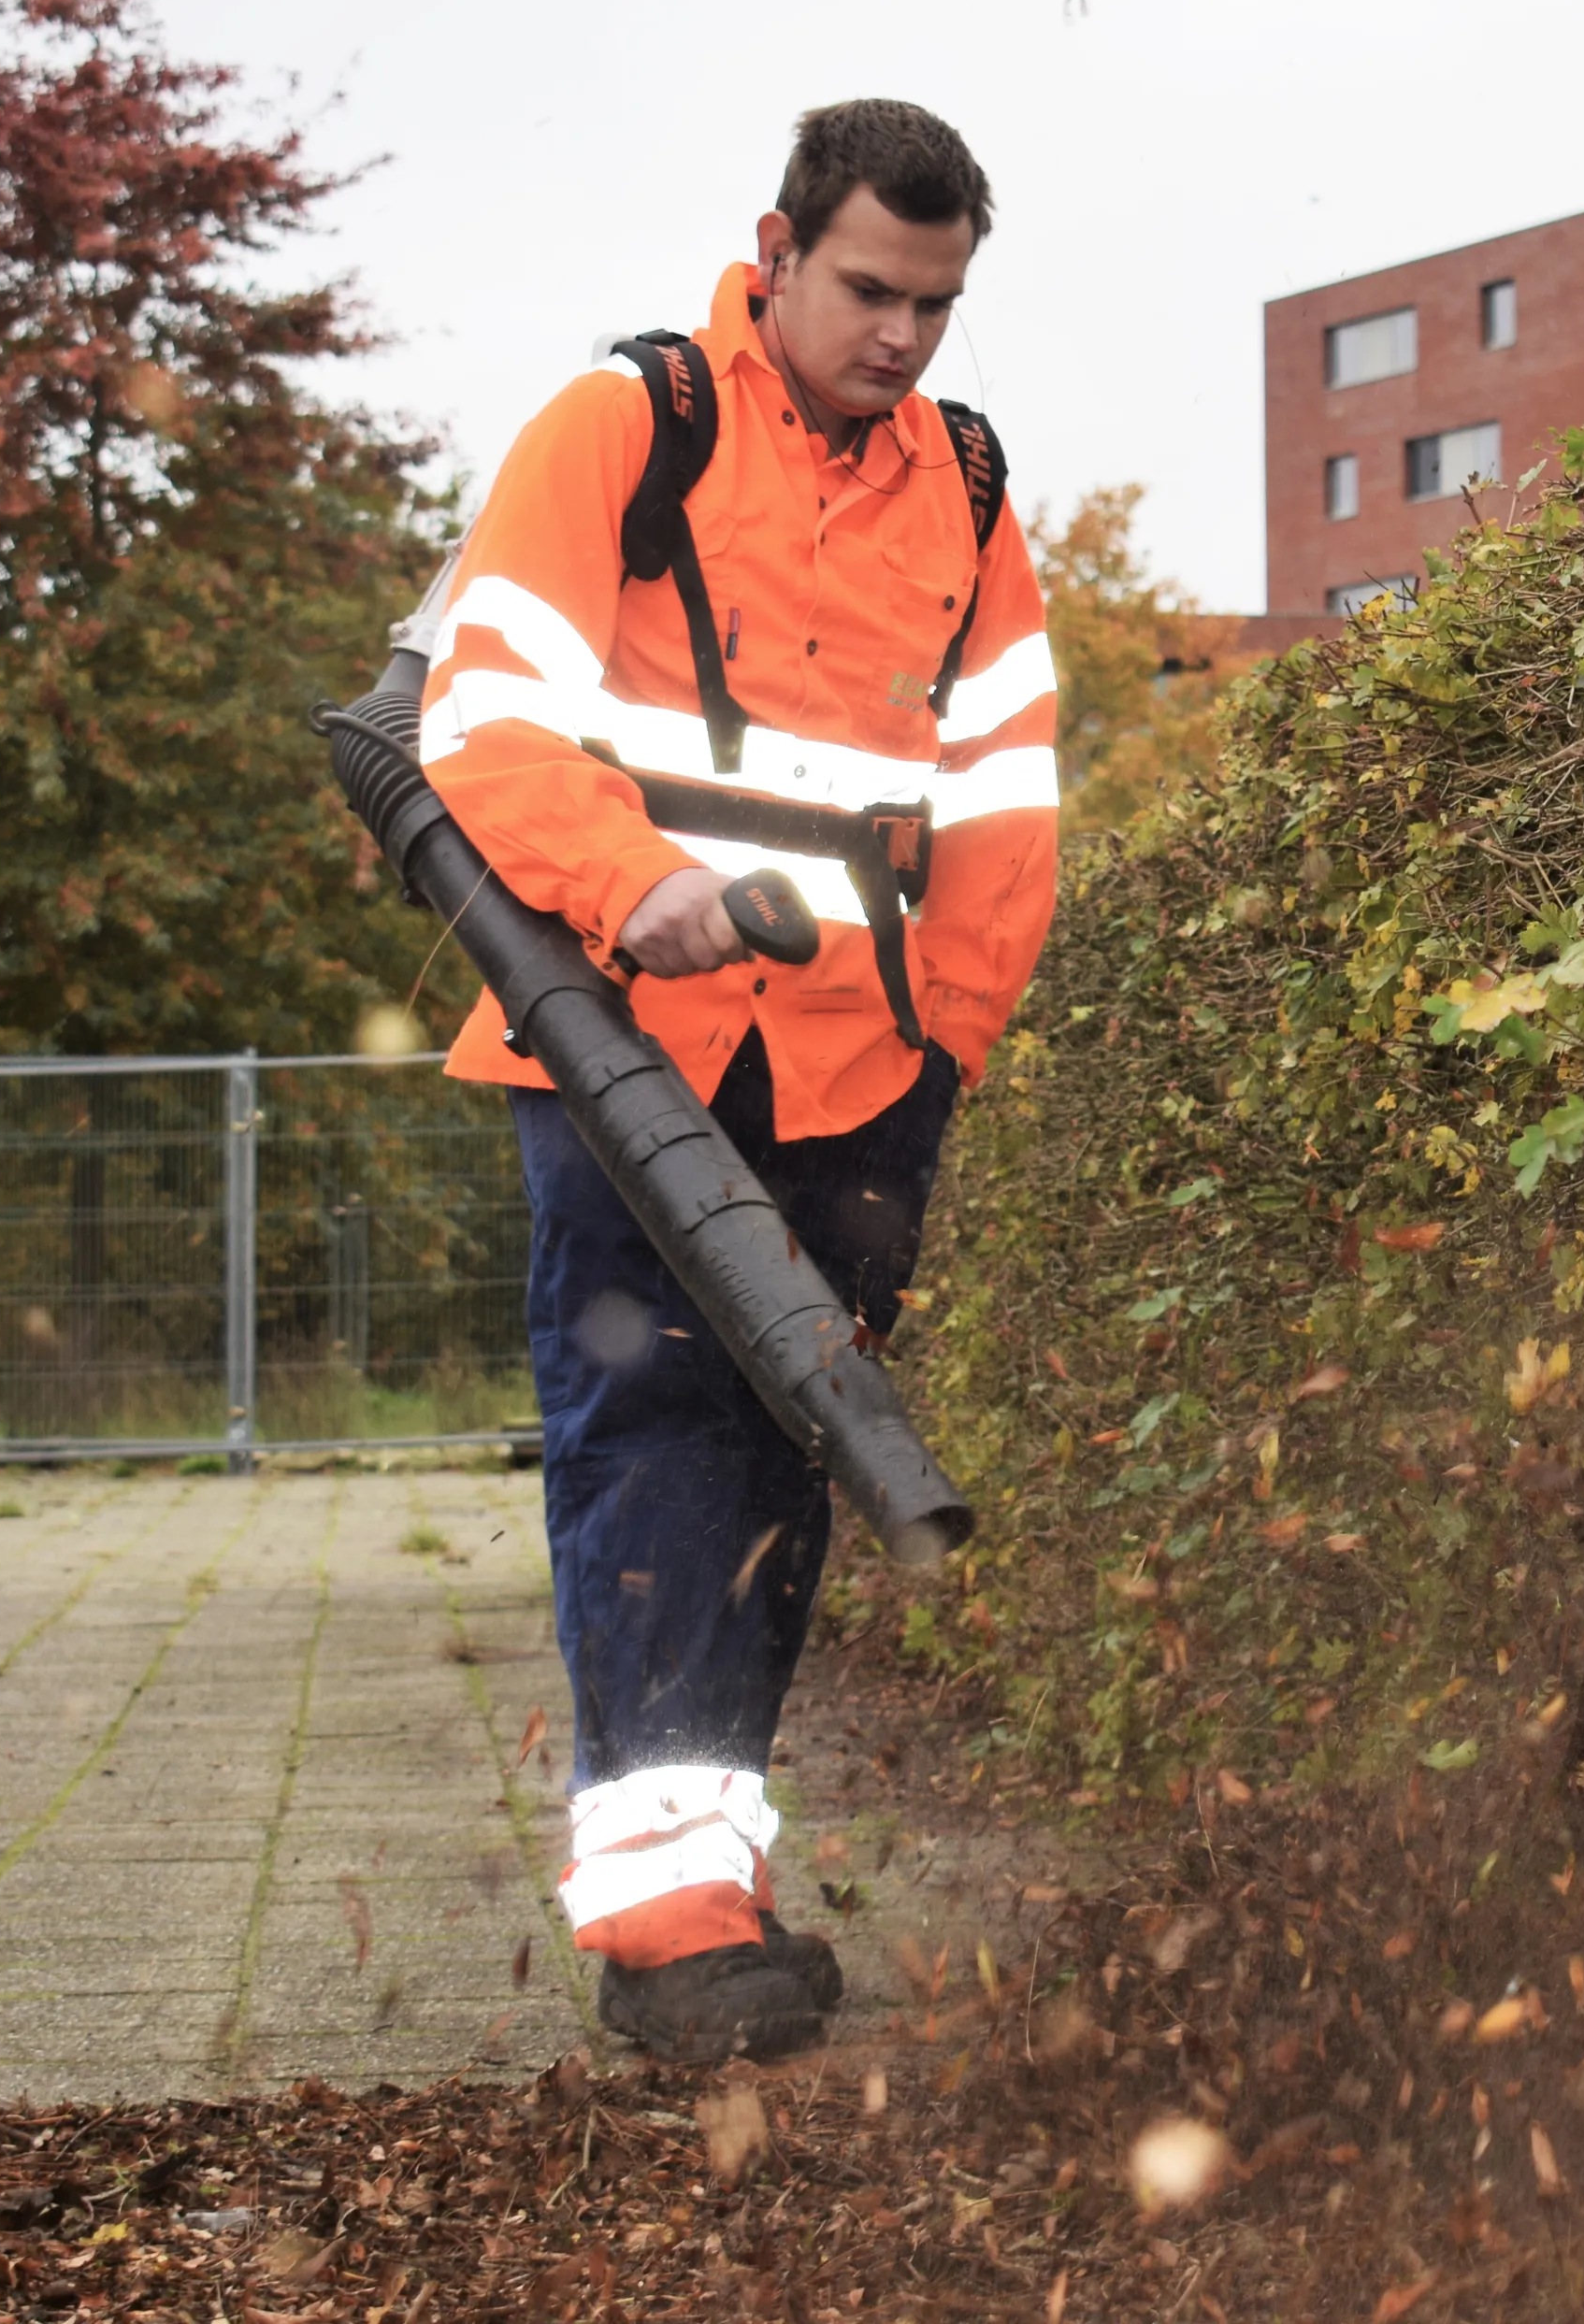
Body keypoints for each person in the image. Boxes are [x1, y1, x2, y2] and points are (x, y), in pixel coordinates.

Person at [413, 100, 1058, 2062]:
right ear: (775, 251)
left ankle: (712, 1870)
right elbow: (487, 713)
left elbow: (1006, 796)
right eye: (870, 290)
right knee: (651, 1444)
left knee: (789, 1464)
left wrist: (945, 1037)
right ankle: (668, 1922)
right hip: (626, 1045)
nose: (902, 337)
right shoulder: (631, 427)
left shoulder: (964, 479)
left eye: (937, 303)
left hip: (864, 1066)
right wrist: (639, 883)